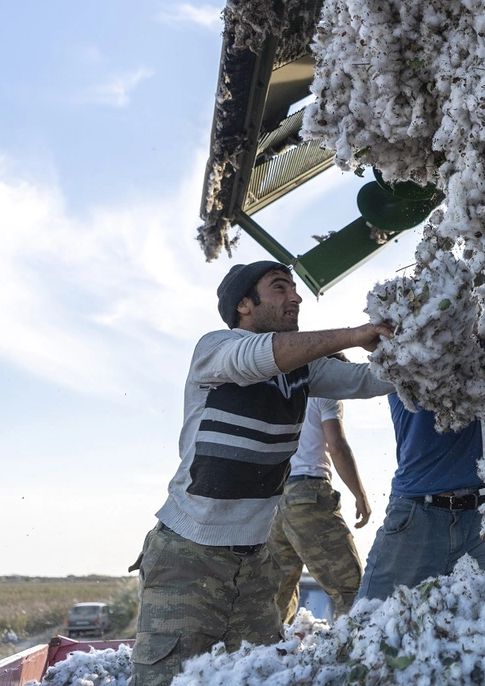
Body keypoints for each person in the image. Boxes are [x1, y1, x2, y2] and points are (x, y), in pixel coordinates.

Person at [130, 261, 393, 686]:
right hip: (188, 559)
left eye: (294, 289)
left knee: (262, 675)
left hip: (253, 568)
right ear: (245, 306)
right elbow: (259, 357)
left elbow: (373, 380)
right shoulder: (216, 349)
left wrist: (470, 336)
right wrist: (352, 335)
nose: (296, 297)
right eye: (279, 288)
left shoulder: (303, 371)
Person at [356, 282, 485, 602]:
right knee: (367, 624)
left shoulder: (472, 353)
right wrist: (484, 323)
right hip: (416, 519)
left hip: (474, 520)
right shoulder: (399, 368)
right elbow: (436, 357)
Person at [267, 391, 371, 622]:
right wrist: (359, 493)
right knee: (352, 592)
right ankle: (354, 655)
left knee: (276, 595)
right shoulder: (326, 394)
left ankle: (271, 653)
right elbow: (337, 445)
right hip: (308, 496)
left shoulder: (282, 391)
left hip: (275, 499)